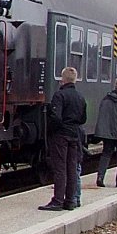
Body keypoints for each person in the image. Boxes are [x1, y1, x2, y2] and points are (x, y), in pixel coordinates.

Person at [39, 66, 87, 211]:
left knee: (60, 168)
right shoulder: (80, 97)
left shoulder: (59, 96)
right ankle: (71, 200)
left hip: (61, 135)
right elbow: (83, 118)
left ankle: (58, 200)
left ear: (63, 80)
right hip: (74, 135)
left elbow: (56, 117)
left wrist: (52, 131)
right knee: (72, 168)